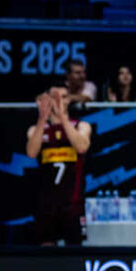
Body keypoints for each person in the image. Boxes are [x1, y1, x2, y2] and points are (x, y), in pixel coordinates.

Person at [26, 83, 91, 245]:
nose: (59, 102)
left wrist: (63, 119)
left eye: (62, 97)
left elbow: (82, 146)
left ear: (68, 100)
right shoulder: (36, 129)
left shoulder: (81, 125)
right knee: (46, 254)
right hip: (47, 204)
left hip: (73, 204)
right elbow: (31, 152)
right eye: (54, 99)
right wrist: (42, 118)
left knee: (74, 254)